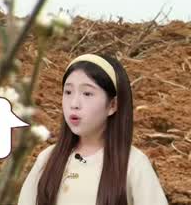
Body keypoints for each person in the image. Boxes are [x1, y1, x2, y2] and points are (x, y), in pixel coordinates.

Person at [17, 53, 168, 205]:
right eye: (68, 92)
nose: (74, 104)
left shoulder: (134, 164)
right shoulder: (47, 159)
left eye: (87, 93)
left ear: (112, 105)